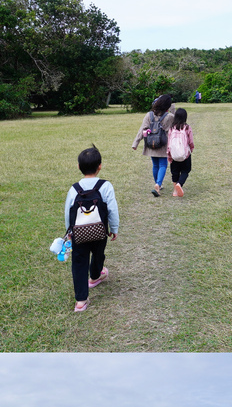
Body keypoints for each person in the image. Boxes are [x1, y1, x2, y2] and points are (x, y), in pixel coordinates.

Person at [63, 146, 119, 313]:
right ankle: (95, 276)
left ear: (79, 167)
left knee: (79, 263)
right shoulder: (106, 186)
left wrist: (69, 232)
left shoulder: (74, 189)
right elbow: (112, 209)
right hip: (100, 231)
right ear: (100, 166)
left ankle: (80, 301)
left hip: (79, 234)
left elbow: (68, 212)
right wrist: (114, 228)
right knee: (98, 254)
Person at [131, 93, 176, 197]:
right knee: (163, 165)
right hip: (163, 144)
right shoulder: (169, 116)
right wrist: (173, 108)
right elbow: (177, 120)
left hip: (151, 143)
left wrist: (135, 143)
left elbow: (142, 129)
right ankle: (158, 184)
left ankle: (158, 184)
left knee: (155, 165)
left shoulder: (149, 115)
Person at [166, 107, 195, 197]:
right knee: (186, 170)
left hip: (174, 154)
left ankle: (175, 191)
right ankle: (180, 184)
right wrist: (191, 149)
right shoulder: (187, 127)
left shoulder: (171, 128)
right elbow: (191, 141)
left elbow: (169, 141)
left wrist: (169, 154)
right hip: (185, 154)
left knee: (175, 172)